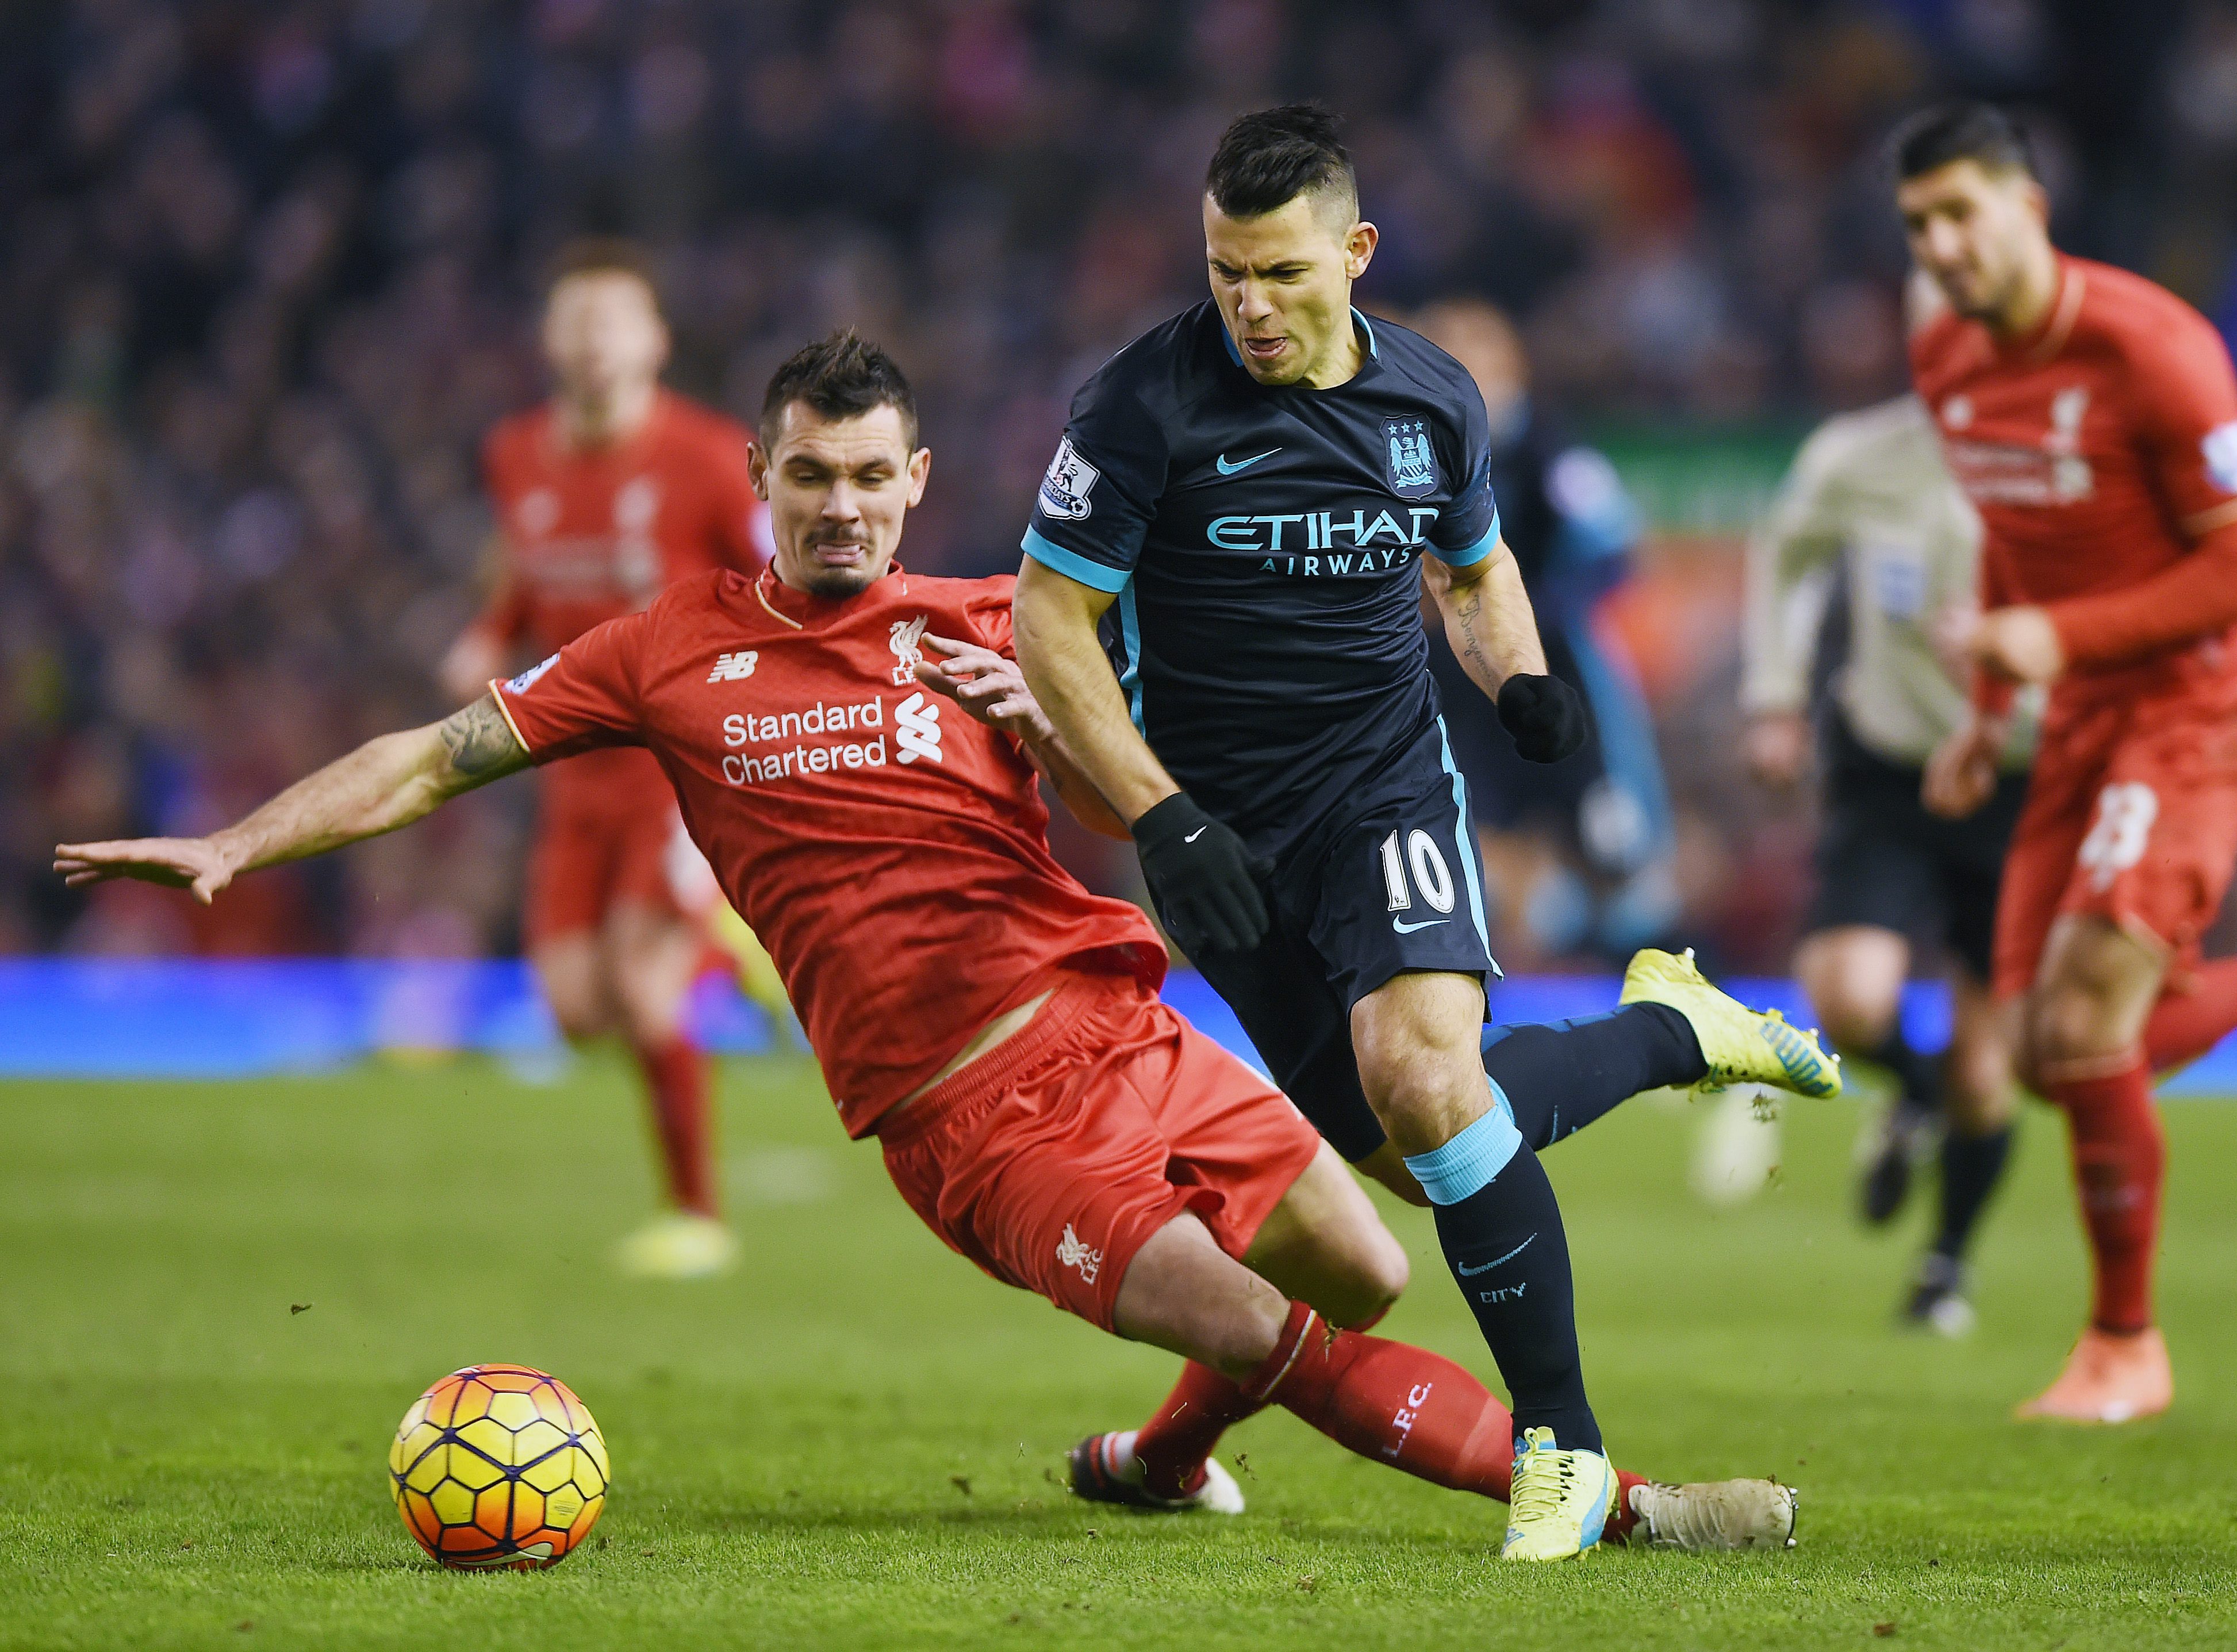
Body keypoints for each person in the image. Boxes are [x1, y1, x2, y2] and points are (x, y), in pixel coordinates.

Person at [57, 333, 1798, 1557]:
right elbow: (438, 756)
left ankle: (1157, 1463)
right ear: (760, 475)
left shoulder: (999, 623)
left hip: (1126, 1031)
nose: (841, 507)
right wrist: (235, 840)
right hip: (972, 1118)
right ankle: (1624, 1503)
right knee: (1268, 1322)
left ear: (918, 481)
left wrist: (1048, 724)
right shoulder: (664, 651)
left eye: (871, 478)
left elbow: (1130, 815)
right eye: (809, 476)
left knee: (1369, 1266)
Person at [1007, 103, 1839, 1559]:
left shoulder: (1433, 399)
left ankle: (1560, 1447)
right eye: (1224, 274)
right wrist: (1157, 813)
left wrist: (1516, 678)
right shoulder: (1138, 407)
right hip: (1211, 835)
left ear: (1355, 253)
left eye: (1281, 273)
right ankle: (1672, 1028)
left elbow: (1471, 567)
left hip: (1378, 787)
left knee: (1422, 1078)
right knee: (1418, 1142)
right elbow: (1047, 619)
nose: (1250, 307)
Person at [1897, 102, 2237, 1420]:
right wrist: (1987, 711)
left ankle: (2123, 1345)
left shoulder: (2155, 351)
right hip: (2073, 720)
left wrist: (2058, 636)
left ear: (2027, 209)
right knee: (2039, 1055)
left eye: (1959, 214)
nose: (1940, 246)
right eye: (1917, 225)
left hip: (2190, 706)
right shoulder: (1945, 356)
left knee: (2084, 1022)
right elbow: (2009, 530)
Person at [438, 240, 773, 1280]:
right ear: (547, 341)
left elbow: (778, 579)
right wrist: (490, 632)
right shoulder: (515, 454)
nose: (592, 341)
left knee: (643, 981)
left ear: (655, 340)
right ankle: (733, 952)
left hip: (678, 764)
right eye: (575, 321)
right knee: (579, 1008)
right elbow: (523, 564)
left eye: (612, 321)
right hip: (572, 766)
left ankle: (697, 1216)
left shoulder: (709, 456)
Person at [1742, 356, 2031, 1334]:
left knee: (1988, 1069)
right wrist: (1774, 695)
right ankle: (1914, 1094)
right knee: (1849, 995)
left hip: (2024, 779)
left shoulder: (2072, 454)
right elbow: (1785, 557)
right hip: (1890, 765)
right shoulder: (1858, 456)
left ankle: (1943, 1269)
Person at [1412, 297, 1680, 965]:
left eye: (1478, 358)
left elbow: (1613, 549)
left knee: (1607, 843)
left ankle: (1640, 972)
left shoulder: (1546, 450)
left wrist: (1527, 613)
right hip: (1449, 676)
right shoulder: (1407, 452)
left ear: (1513, 369)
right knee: (1476, 836)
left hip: (1553, 670)